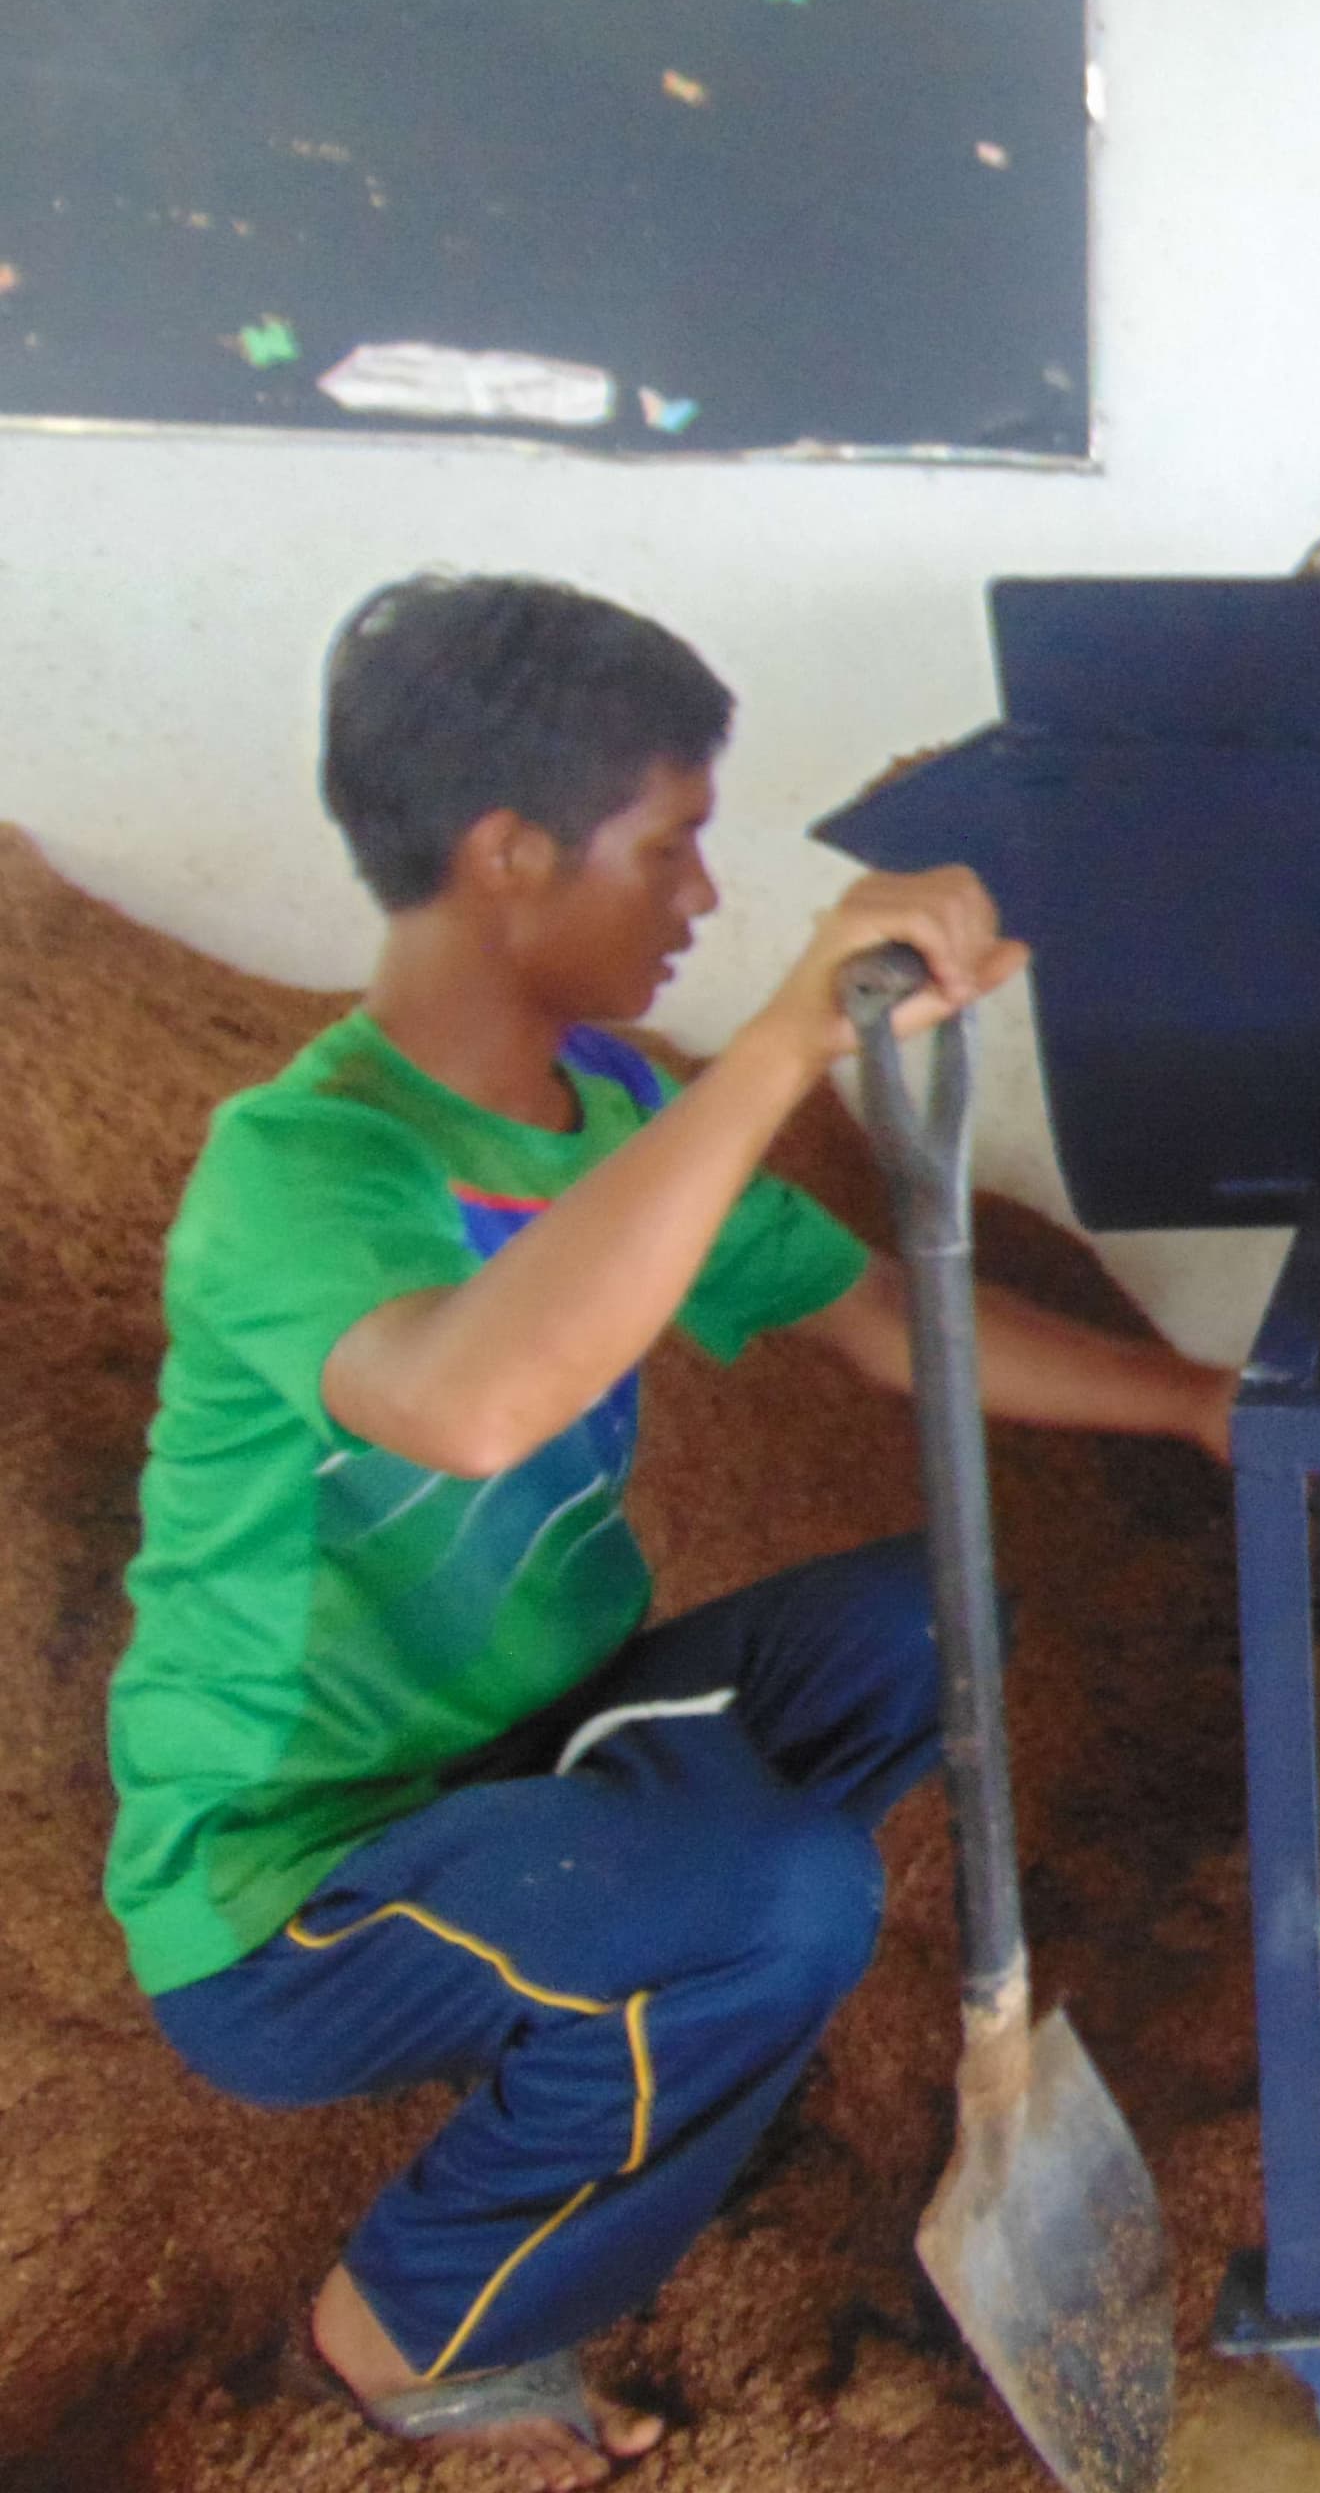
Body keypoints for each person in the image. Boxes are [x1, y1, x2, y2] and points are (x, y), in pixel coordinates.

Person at [104, 576, 1240, 2487]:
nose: (705, 898)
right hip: (294, 1892)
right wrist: (785, 1044)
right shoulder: (304, 1166)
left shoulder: (611, 1108)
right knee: (788, 1895)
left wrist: (1201, 1400)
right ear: (511, 855)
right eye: (671, 845)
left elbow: (881, 1317)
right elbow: (470, 1401)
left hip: (536, 1760)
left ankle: (648, 2002)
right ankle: (405, 2328)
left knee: (935, 1619)